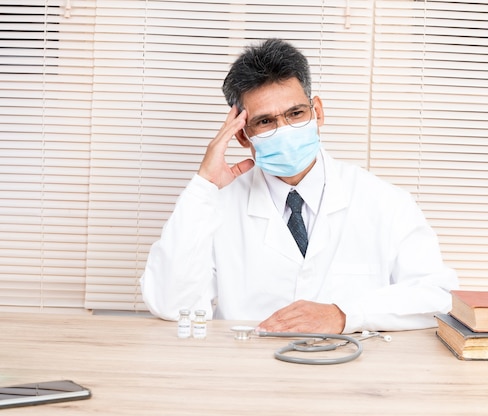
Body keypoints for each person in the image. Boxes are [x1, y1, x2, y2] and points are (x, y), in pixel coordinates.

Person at [140, 38, 458, 334]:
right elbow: (171, 304)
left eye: (295, 113)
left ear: (316, 112)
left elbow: (436, 295)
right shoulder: (215, 205)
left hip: (350, 380)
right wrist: (203, 186)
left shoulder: (384, 202)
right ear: (241, 134)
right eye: (265, 121)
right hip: (246, 378)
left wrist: (344, 314)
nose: (285, 130)